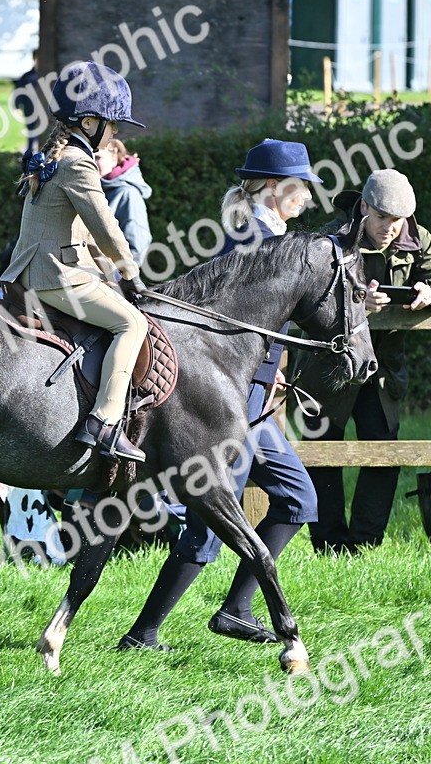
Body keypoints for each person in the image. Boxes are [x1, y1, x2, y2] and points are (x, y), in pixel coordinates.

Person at [119, 139, 322, 650]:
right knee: (208, 521)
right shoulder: (249, 239)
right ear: (274, 188)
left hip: (254, 391)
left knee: (298, 497)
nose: (307, 198)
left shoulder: (272, 234)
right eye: (300, 187)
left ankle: (236, 607)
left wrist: (276, 364)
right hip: (228, 397)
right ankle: (143, 634)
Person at [301, 169, 431, 553]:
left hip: (382, 368)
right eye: (383, 217)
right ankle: (329, 544)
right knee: (322, 454)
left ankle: (366, 543)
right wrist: (357, 305)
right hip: (330, 366)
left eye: (398, 219)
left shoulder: (418, 239)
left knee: (383, 453)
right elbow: (306, 298)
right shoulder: (330, 238)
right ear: (365, 206)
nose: (390, 227)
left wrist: (428, 292)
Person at [0, 60, 148, 462]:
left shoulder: (57, 154)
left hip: (35, 267)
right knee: (131, 323)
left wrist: (113, 272)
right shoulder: (78, 162)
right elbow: (105, 226)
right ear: (87, 122)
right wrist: (131, 273)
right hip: (55, 274)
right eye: (111, 124)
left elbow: (82, 231)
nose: (115, 132)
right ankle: (103, 423)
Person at [95, 138, 153, 262]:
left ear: (114, 158)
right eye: (90, 157)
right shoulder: (94, 189)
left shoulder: (127, 193)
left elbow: (137, 248)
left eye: (98, 158)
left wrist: (115, 277)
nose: (92, 163)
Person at [13, 50, 44, 155]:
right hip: (29, 108)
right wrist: (17, 106)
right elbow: (18, 92)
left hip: (44, 110)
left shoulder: (47, 75)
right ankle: (30, 155)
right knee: (31, 133)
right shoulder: (27, 77)